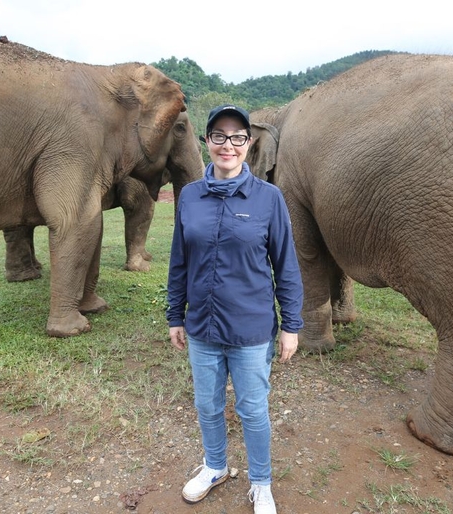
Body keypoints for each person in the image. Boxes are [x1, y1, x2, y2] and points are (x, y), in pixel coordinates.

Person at [166, 104, 304, 514]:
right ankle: (215, 466)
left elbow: (287, 265)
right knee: (207, 405)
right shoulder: (190, 197)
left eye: (238, 137)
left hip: (250, 330)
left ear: (249, 145)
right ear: (207, 142)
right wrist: (175, 314)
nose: (229, 145)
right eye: (220, 136)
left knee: (252, 409)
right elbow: (179, 261)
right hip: (203, 330)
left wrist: (291, 325)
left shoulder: (269, 199)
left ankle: (261, 482)